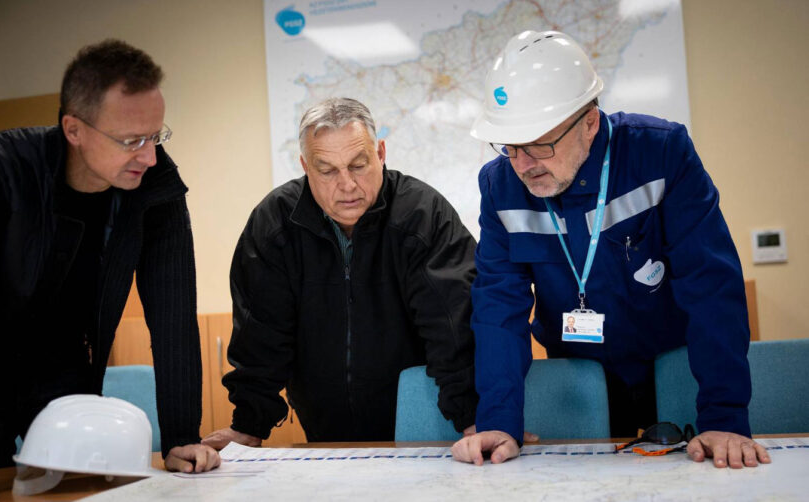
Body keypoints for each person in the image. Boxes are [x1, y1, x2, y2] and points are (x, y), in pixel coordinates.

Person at [451, 30, 769, 469]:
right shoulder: (499, 185)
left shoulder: (660, 154)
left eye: (540, 143)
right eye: (510, 146)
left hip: (672, 364)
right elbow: (498, 307)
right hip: (581, 380)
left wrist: (725, 417)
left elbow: (711, 286)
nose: (523, 164)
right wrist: (498, 421)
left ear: (589, 122)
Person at [0, 39, 219, 495]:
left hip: (65, 374)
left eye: (156, 136)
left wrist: (181, 437)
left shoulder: (154, 183)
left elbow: (172, 313)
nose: (149, 156)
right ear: (74, 129)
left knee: (83, 488)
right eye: (131, 140)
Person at [202, 97, 479, 447]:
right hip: (323, 430)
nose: (347, 184)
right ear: (305, 166)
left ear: (380, 153)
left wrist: (473, 419)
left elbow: (452, 328)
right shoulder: (275, 223)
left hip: (426, 426)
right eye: (328, 171)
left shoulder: (422, 214)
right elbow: (261, 334)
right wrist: (249, 425)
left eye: (358, 165)